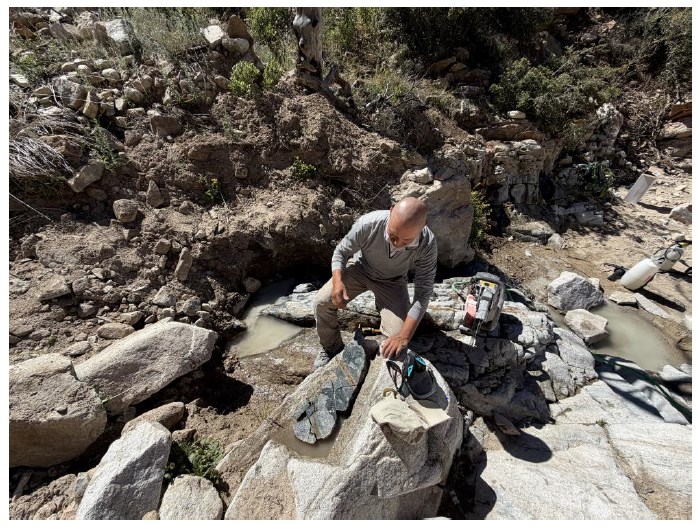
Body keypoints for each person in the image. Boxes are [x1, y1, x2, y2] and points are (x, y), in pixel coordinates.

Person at [313, 196, 437, 369]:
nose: (397, 244)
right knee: (321, 302)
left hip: (393, 282)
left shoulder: (427, 243)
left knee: (397, 339)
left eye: (406, 241)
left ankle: (376, 343)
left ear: (422, 227)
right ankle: (331, 348)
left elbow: (423, 293)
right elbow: (341, 252)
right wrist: (337, 281)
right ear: (391, 211)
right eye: (393, 235)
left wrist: (404, 336)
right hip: (360, 269)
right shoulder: (369, 224)